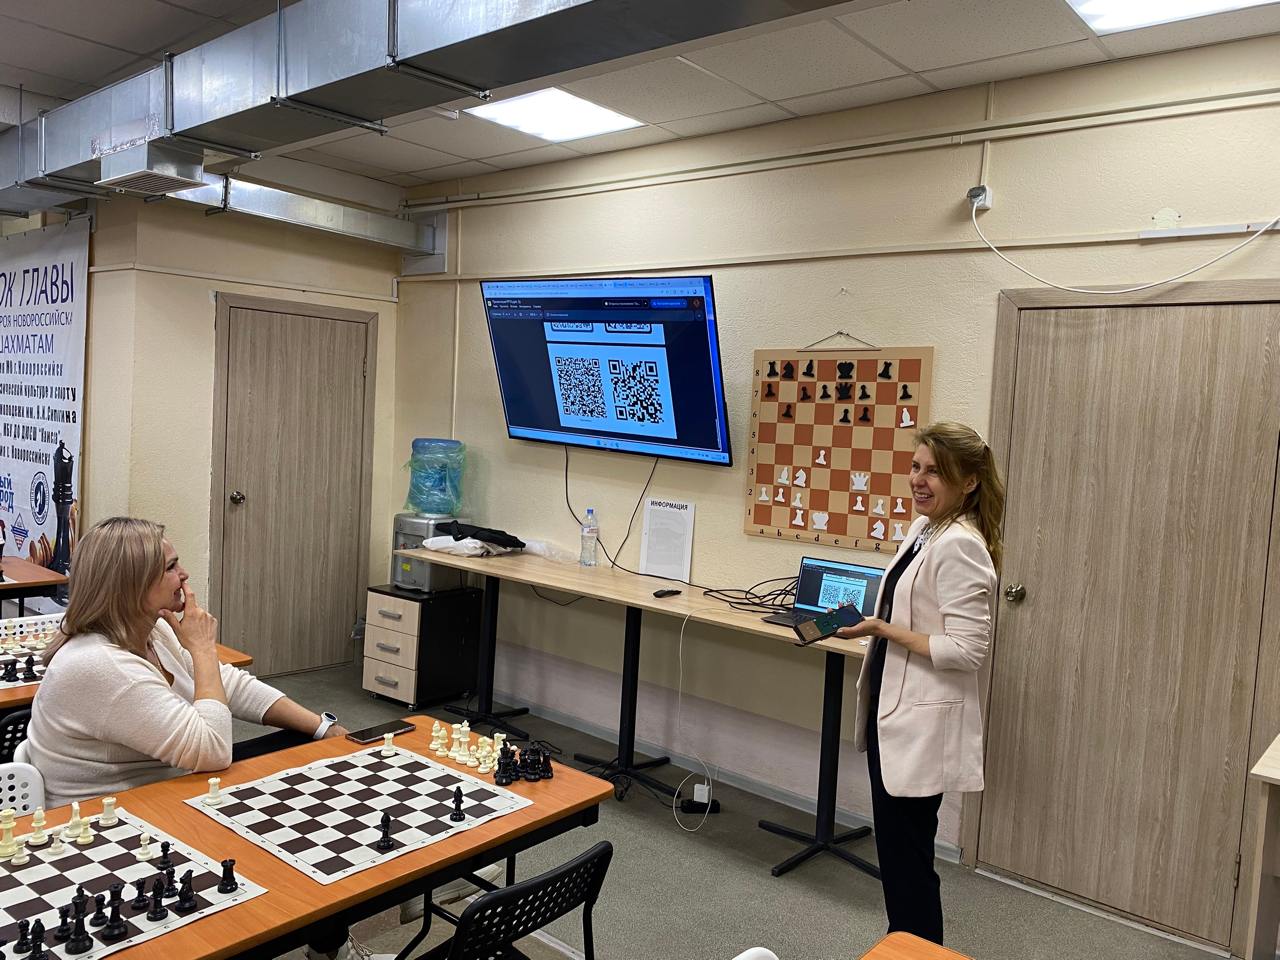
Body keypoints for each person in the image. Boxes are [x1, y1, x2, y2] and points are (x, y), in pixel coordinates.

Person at [22, 516, 349, 808]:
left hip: (163, 787)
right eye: (170, 567)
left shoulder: (155, 629)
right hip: (110, 821)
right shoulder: (101, 665)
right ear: (132, 586)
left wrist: (322, 727)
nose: (184, 575)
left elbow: (229, 685)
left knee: (306, 746)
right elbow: (214, 751)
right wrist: (203, 649)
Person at [837, 422, 1004, 945]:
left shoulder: (961, 545)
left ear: (969, 481)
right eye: (916, 467)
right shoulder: (924, 529)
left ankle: (916, 948)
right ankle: (903, 945)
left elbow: (968, 650)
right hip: (892, 712)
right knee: (899, 859)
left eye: (935, 472)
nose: (919, 480)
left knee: (908, 864)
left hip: (920, 726)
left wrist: (884, 629)